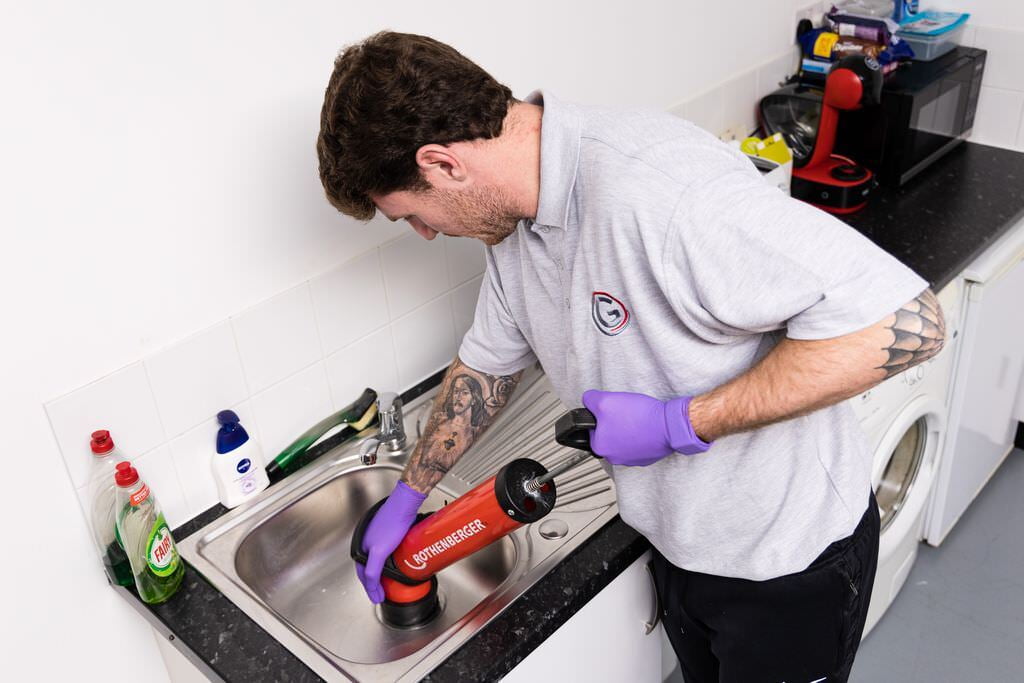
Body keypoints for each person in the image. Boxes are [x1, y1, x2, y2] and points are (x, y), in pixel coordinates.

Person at [317, 31, 946, 682]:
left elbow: (912, 321)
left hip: (787, 561)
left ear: (444, 164)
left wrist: (681, 422)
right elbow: (485, 367)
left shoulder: (660, 192)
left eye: (412, 215)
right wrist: (408, 494)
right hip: (683, 546)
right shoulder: (514, 228)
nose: (425, 234)